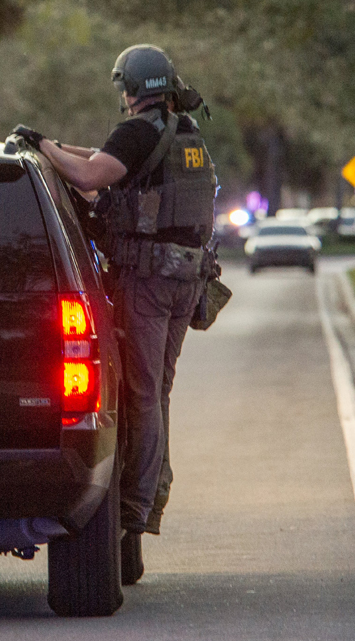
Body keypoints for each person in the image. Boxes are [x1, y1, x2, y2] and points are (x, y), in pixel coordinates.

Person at [13, 44, 216, 582]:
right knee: (157, 393)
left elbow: (87, 176)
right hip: (183, 282)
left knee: (143, 397)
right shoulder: (181, 131)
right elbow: (105, 157)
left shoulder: (138, 131)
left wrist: (39, 146)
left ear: (131, 88)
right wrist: (53, 146)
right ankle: (144, 509)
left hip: (149, 284)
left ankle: (134, 513)